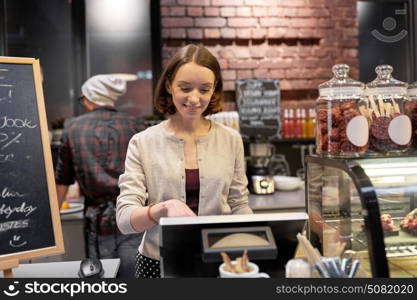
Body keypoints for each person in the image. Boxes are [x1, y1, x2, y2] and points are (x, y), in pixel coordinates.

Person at [116, 44, 253, 278]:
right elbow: (125, 220)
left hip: (218, 259)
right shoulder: (142, 142)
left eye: (204, 89)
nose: (194, 98)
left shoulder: (231, 140)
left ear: (214, 90)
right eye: (185, 87)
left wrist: (251, 241)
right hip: (156, 262)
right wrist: (161, 209)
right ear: (169, 85)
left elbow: (239, 204)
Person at [55, 74, 144, 278]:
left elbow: (63, 178)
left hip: (97, 221)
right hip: (133, 216)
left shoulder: (73, 127)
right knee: (135, 278)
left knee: (101, 281)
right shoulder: (136, 124)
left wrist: (52, 221)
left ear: (89, 98)